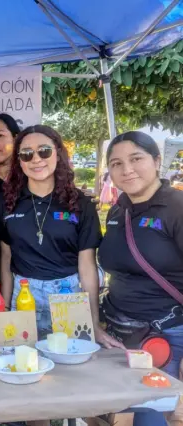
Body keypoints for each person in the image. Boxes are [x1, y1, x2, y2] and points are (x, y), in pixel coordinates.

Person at [0, 125, 122, 347]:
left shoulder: (80, 203)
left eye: (44, 150)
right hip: (23, 295)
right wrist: (4, 311)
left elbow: (87, 266)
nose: (36, 159)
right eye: (26, 153)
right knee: (21, 362)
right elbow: (5, 260)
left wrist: (93, 322)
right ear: (19, 161)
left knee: (70, 363)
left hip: (68, 294)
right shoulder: (3, 203)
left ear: (58, 153)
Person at [98, 131, 183, 426]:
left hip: (166, 337)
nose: (127, 169)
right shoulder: (118, 209)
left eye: (136, 159)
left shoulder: (177, 207)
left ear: (157, 161)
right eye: (117, 163)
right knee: (114, 411)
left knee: (151, 416)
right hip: (119, 334)